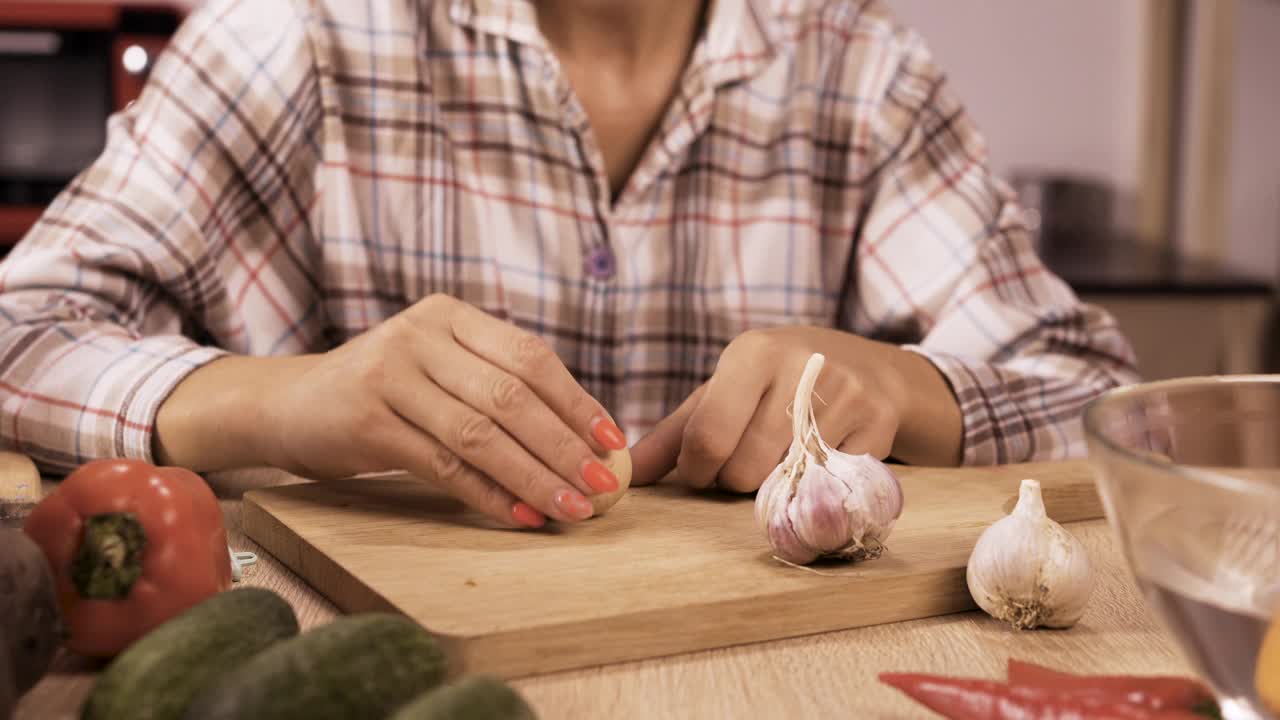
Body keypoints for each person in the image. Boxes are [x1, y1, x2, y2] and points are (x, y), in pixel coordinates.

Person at [0, 0, 1137, 530]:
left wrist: (902, 387)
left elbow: (1103, 398)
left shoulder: (861, 77)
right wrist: (282, 400)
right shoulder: (295, 39)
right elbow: (20, 330)